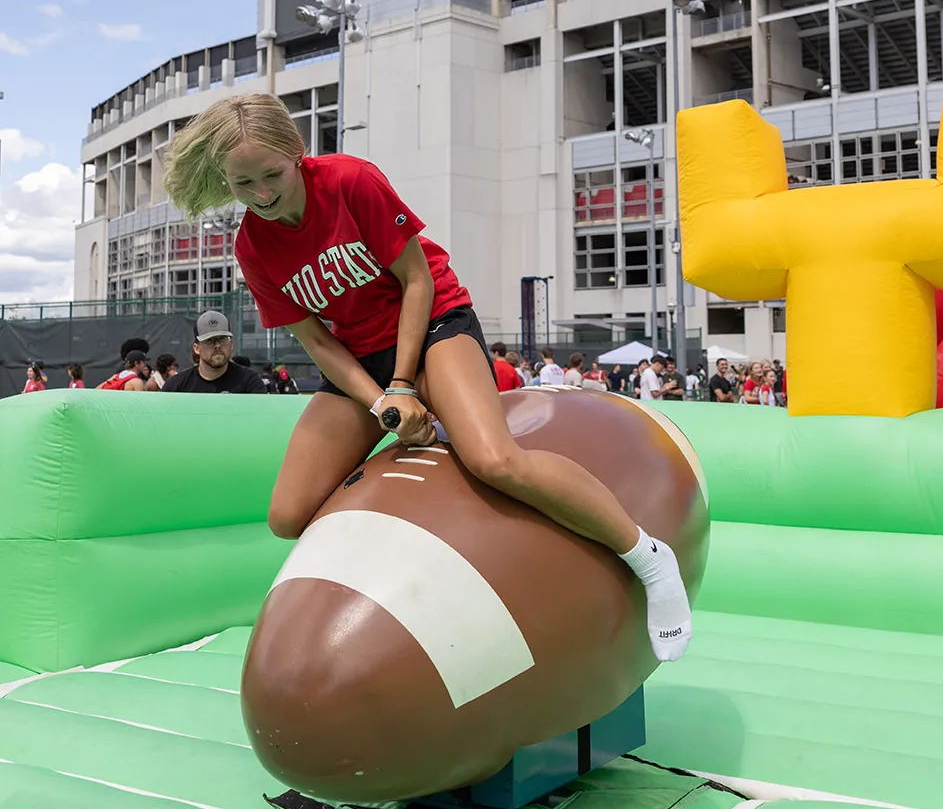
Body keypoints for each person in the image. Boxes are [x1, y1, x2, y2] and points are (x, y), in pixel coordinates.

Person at [163, 92, 692, 660]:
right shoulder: (251, 245)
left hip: (435, 322)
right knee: (287, 516)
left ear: (297, 152)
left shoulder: (350, 181)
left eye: (271, 175)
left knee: (494, 461)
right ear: (224, 180)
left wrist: (402, 386)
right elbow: (315, 339)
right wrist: (380, 404)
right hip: (357, 357)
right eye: (244, 185)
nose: (263, 195)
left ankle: (647, 557)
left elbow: (417, 279)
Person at [163, 310, 270, 394]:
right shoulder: (176, 386)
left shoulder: (249, 382)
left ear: (231, 344)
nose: (218, 345)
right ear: (197, 348)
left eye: (223, 339)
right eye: (210, 340)